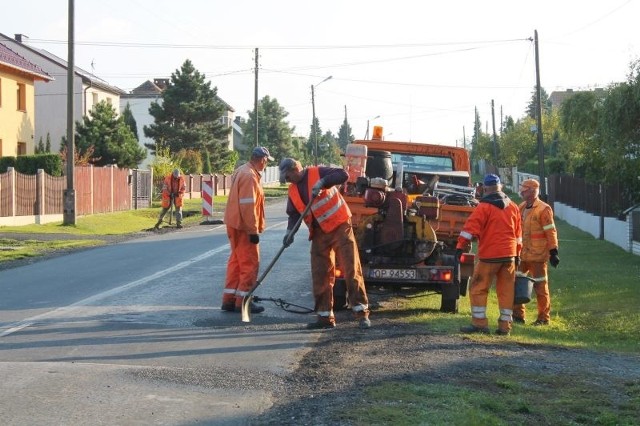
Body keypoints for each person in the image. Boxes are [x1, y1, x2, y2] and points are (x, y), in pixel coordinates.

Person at [278, 157, 371, 330]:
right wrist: (289, 232)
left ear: (295, 169)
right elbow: (294, 215)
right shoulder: (293, 191)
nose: (287, 181)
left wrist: (323, 182)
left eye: (288, 176)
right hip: (319, 233)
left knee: (350, 268)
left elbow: (343, 174)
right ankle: (324, 317)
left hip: (339, 226)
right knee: (320, 273)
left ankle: (361, 313)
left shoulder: (317, 172)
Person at [456, 174, 522, 336]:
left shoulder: (483, 207)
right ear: (501, 187)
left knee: (478, 287)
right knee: (507, 291)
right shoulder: (513, 207)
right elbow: (518, 234)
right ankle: (504, 327)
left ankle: (479, 324)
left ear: (485, 188)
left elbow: (469, 229)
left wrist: (459, 248)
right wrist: (518, 254)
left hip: (489, 256)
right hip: (510, 256)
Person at [221, 146, 274, 314]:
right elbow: (248, 206)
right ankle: (243, 302)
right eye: (266, 162)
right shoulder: (250, 176)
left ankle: (229, 300)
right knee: (250, 263)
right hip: (244, 227)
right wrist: (253, 231)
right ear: (263, 160)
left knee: (236, 262)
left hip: (234, 224)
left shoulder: (241, 171)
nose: (266, 165)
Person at [512, 178, 559, 326]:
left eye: (524, 190)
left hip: (538, 255)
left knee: (540, 287)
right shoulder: (521, 207)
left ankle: (543, 318)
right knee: (517, 284)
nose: (521, 192)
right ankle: (518, 315)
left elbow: (550, 231)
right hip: (521, 255)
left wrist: (553, 251)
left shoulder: (544, 209)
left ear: (532, 191)